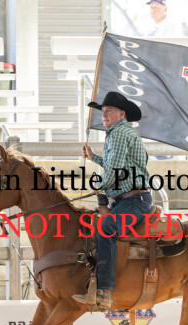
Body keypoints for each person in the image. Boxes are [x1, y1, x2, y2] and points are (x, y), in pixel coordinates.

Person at [72, 92, 152, 309]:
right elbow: (117, 165)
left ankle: (105, 292)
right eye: (103, 111)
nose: (104, 115)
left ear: (121, 114)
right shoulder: (121, 133)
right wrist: (94, 157)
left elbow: (114, 171)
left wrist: (99, 193)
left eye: (109, 111)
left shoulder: (118, 134)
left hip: (134, 200)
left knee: (106, 227)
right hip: (130, 199)